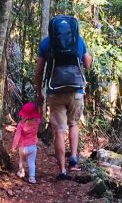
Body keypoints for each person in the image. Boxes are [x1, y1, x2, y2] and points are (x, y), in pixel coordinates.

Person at [34, 17, 92, 180]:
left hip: (55, 91)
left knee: (59, 131)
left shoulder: (47, 43)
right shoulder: (78, 41)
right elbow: (87, 64)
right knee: (73, 124)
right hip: (76, 89)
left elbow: (38, 70)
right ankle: (73, 160)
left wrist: (39, 93)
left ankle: (62, 171)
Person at [12, 102, 42, 184]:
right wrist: (41, 105)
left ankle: (21, 172)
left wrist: (14, 147)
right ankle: (32, 177)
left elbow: (17, 136)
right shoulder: (37, 122)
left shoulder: (20, 125)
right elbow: (40, 115)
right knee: (32, 162)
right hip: (33, 147)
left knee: (22, 160)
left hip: (23, 147)